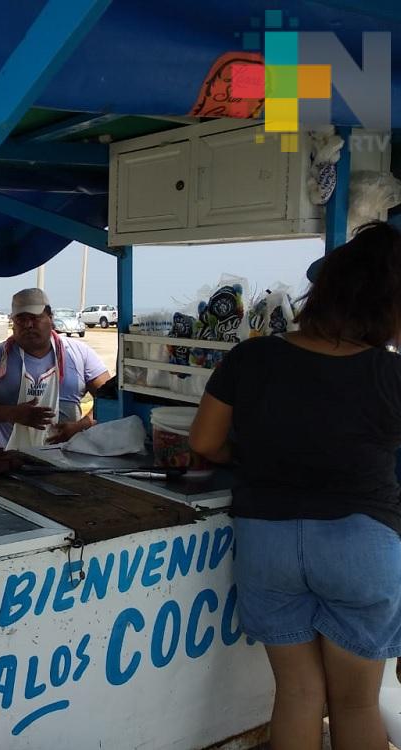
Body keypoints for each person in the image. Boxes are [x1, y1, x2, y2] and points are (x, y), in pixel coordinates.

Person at [189, 221, 401, 750]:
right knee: (354, 704)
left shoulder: (252, 357)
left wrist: (257, 453)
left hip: (268, 540)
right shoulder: (389, 375)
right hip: (362, 542)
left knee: (298, 694)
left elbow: (206, 442)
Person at [0, 288, 110, 450]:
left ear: (50, 319)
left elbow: (110, 398)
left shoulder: (79, 354)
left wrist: (81, 426)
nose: (28, 325)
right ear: (13, 323)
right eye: (21, 319)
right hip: (9, 458)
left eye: (35, 318)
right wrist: (11, 413)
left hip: (68, 456)